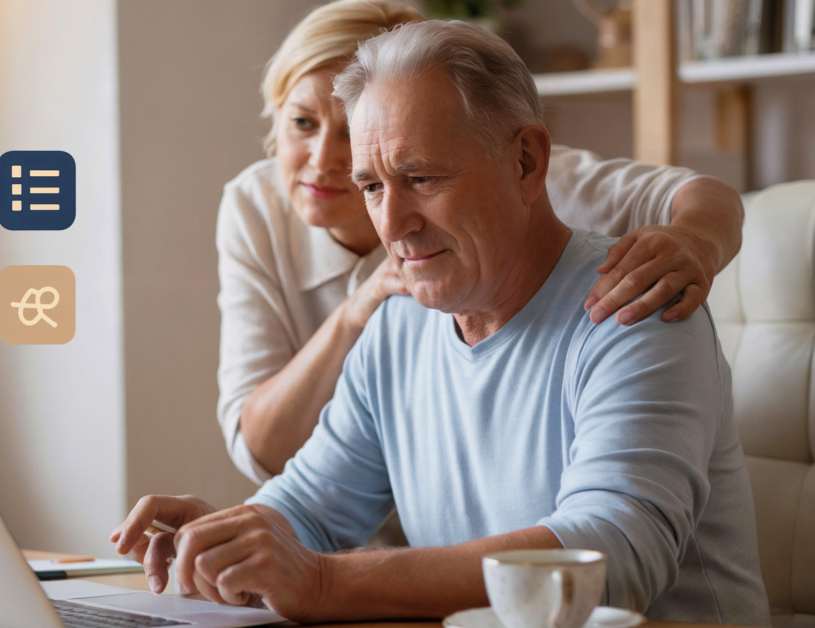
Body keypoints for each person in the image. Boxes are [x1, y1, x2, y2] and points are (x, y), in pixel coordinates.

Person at [115, 19, 770, 626]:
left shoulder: (638, 303)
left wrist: (323, 584)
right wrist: (232, 539)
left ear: (527, 164)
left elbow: (610, 557)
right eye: (372, 187)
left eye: (421, 177)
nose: (392, 227)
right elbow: (310, 510)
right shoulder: (398, 323)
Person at [219, 0, 744, 486]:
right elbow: (267, 460)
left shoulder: (512, 171)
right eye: (301, 123)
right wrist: (358, 312)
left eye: (420, 175)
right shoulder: (258, 206)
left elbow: (697, 194)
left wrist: (696, 240)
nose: (321, 160)